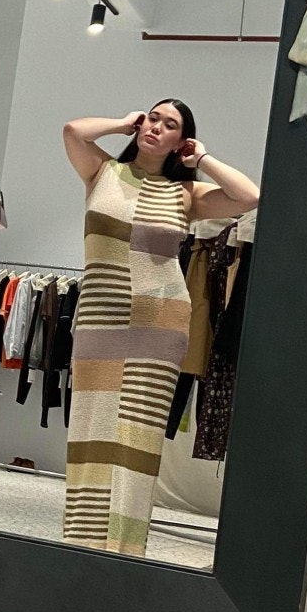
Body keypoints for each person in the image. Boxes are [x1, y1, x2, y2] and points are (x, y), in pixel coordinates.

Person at [58, 101, 258, 556]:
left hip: (159, 319)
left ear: (180, 141)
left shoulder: (186, 194)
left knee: (136, 435)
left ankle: (125, 548)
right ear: (140, 123)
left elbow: (249, 197)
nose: (158, 127)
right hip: (100, 314)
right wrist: (121, 123)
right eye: (153, 117)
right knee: (92, 426)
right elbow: (73, 130)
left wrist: (202, 159)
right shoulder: (102, 171)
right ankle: (82, 543)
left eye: (172, 125)